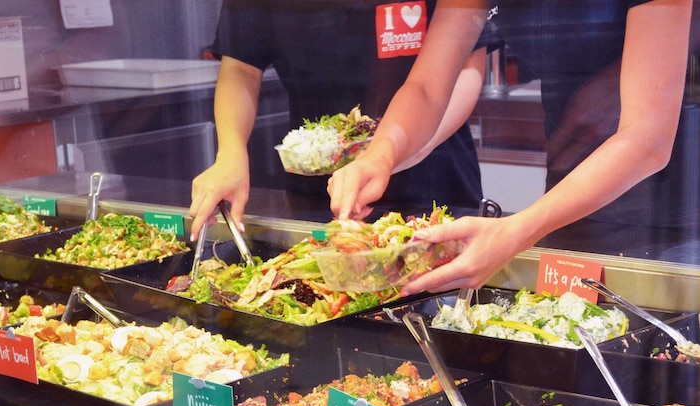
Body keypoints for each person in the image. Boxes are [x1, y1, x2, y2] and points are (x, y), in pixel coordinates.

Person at [328, 0, 694, 294]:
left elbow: (647, 139)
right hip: (573, 194)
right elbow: (426, 87)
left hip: (675, 212)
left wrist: (517, 230)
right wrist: (381, 154)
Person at [189, 0, 493, 240]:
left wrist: (392, 152)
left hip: (433, 178)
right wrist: (230, 153)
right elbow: (241, 67)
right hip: (320, 191)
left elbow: (454, 71)